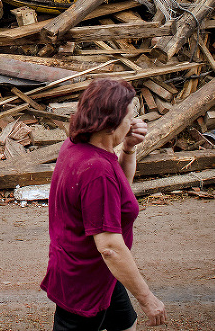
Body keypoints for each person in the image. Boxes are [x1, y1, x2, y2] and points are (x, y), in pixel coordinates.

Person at [41, 78, 166, 330]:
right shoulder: (96, 170)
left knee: (125, 325)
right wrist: (147, 299)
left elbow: (120, 192)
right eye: (129, 116)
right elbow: (109, 246)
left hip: (104, 272)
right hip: (84, 280)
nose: (133, 123)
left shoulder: (78, 145)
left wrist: (128, 148)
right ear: (110, 124)